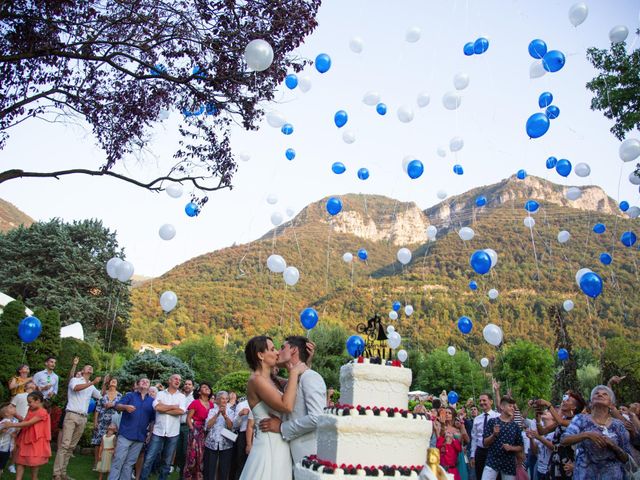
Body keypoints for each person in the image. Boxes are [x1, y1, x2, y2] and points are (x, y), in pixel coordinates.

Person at [239, 335, 307, 480]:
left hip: (279, 442)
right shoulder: (256, 380)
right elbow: (286, 405)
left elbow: (298, 387)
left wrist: (306, 358)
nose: (277, 352)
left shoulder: (272, 380)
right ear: (260, 355)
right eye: (272, 349)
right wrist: (294, 372)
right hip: (268, 445)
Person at [258, 335, 327, 465]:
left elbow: (317, 417)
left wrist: (282, 427)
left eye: (283, 348)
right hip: (287, 454)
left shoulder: (311, 377)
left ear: (294, 350)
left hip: (307, 455)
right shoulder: (293, 379)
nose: (278, 352)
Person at [560, 385, 631, 480]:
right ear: (591, 402)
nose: (600, 395)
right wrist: (586, 435)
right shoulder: (580, 419)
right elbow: (564, 440)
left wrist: (614, 446)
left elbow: (626, 458)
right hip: (584, 476)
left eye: (604, 394)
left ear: (611, 404)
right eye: (596, 393)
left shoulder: (618, 425)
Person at [53, 364, 102, 480]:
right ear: (83, 370)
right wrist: (92, 383)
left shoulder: (91, 386)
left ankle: (63, 473)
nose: (90, 368)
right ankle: (56, 474)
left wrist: (104, 384)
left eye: (92, 367)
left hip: (83, 418)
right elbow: (75, 388)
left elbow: (100, 396)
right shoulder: (75, 380)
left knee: (71, 447)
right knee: (65, 445)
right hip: (71, 415)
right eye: (88, 367)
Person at [140, 374, 187, 480]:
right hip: (158, 431)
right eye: (175, 379)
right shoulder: (160, 394)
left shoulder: (182, 397)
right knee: (149, 459)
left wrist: (164, 407)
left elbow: (181, 411)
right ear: (169, 381)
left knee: (166, 462)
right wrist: (173, 407)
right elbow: (157, 407)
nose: (178, 381)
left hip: (173, 433)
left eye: (179, 379)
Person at [109, 377, 155, 480]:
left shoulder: (152, 401)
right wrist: (125, 407)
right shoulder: (130, 396)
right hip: (125, 434)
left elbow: (152, 420)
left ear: (149, 386)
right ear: (138, 384)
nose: (145, 382)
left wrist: (150, 434)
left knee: (130, 463)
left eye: (147, 382)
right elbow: (117, 406)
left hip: (140, 437)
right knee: (118, 460)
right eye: (142, 381)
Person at [535, 390, 585, 479]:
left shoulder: (576, 421)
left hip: (568, 462)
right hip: (556, 459)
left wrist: (548, 404)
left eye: (568, 400)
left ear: (574, 407)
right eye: (564, 399)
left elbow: (560, 421)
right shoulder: (563, 419)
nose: (564, 401)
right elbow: (542, 432)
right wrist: (538, 420)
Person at [2, 391, 51, 480]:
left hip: (36, 441)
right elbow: (25, 421)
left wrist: (11, 425)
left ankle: (34, 478)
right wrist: (17, 427)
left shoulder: (43, 412)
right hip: (25, 438)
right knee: (20, 461)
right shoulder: (31, 410)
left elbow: (28, 423)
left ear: (38, 401)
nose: (28, 405)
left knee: (34, 463)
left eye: (30, 402)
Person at [481, 396, 524, 480]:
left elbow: (521, 446)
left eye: (513, 407)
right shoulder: (492, 422)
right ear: (502, 407)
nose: (513, 409)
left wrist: (511, 448)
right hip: (492, 462)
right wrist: (494, 435)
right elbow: (485, 443)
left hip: (509, 464)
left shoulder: (515, 426)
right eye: (510, 406)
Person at [203, 391, 236, 480]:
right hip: (211, 443)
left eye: (226, 399)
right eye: (222, 398)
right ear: (217, 400)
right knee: (209, 468)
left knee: (224, 469)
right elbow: (207, 426)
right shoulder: (212, 411)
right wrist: (217, 414)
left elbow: (231, 427)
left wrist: (225, 416)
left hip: (226, 444)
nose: (224, 401)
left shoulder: (231, 412)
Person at [183, 382, 213, 480]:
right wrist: (193, 430)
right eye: (204, 387)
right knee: (193, 455)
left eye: (208, 387)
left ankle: (199, 477)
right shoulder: (195, 402)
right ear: (199, 392)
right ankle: (189, 477)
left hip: (208, 432)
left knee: (203, 456)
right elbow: (188, 419)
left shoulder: (212, 405)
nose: (207, 388)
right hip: (196, 431)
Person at [92, 377, 122, 470]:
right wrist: (95, 421)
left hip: (113, 422)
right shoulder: (103, 394)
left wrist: (114, 405)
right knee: (98, 442)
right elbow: (97, 409)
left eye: (115, 381)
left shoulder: (120, 396)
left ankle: (109, 464)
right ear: (109, 383)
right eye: (112, 380)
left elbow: (121, 408)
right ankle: (97, 462)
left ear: (117, 384)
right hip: (102, 421)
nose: (113, 381)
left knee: (112, 442)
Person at [470, 393, 499, 479]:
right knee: (480, 476)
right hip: (480, 452)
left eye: (484, 400)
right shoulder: (477, 419)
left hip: (493, 451)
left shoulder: (497, 417)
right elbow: (474, 438)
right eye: (480, 401)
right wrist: (472, 455)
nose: (482, 402)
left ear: (491, 402)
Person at [527, 410, 555, 480]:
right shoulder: (539, 431)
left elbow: (555, 448)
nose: (545, 411)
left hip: (549, 470)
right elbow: (535, 452)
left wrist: (539, 438)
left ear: (553, 418)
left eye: (548, 411)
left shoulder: (555, 432)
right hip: (539, 468)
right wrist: (531, 439)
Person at [176, 379, 194, 478]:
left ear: (193, 387)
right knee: (178, 451)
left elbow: (185, 410)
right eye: (186, 384)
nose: (187, 386)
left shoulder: (194, 397)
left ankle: (184, 475)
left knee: (185, 452)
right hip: (177, 425)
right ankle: (181, 473)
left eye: (189, 384)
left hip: (188, 426)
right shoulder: (181, 396)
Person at [231, 397, 253, 480]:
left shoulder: (263, 402)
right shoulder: (241, 404)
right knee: (241, 463)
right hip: (243, 436)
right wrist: (240, 414)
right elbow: (235, 425)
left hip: (259, 435)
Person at [0, 403, 18, 477]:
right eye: (11, 407)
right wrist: (1, 431)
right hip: (1, 447)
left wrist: (14, 434)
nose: (14, 407)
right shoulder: (4, 422)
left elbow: (16, 430)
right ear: (7, 413)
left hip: (7, 449)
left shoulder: (15, 421)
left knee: (1, 466)